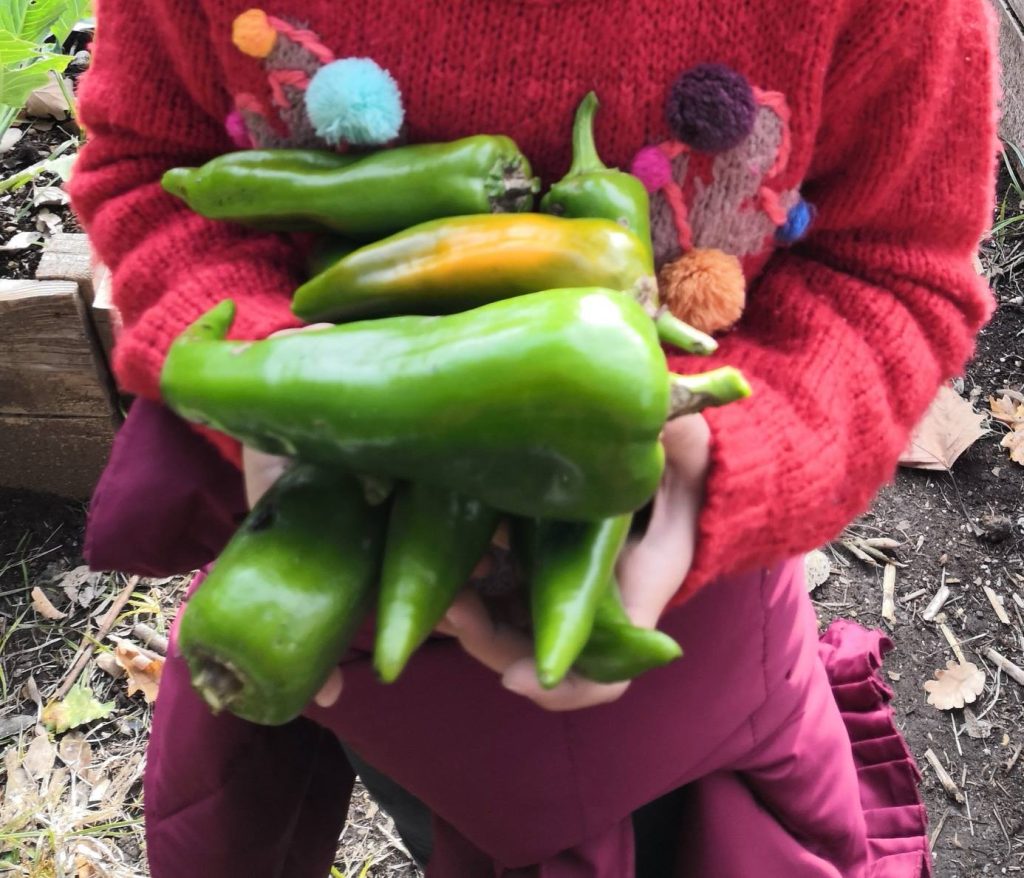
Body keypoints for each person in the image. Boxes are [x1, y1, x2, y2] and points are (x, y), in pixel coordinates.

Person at [69, 0, 1000, 875]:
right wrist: (281, 384)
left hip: (668, 573)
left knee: (670, 828)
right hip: (336, 529)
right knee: (430, 795)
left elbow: (893, 269)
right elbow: (156, 172)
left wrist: (731, 462)